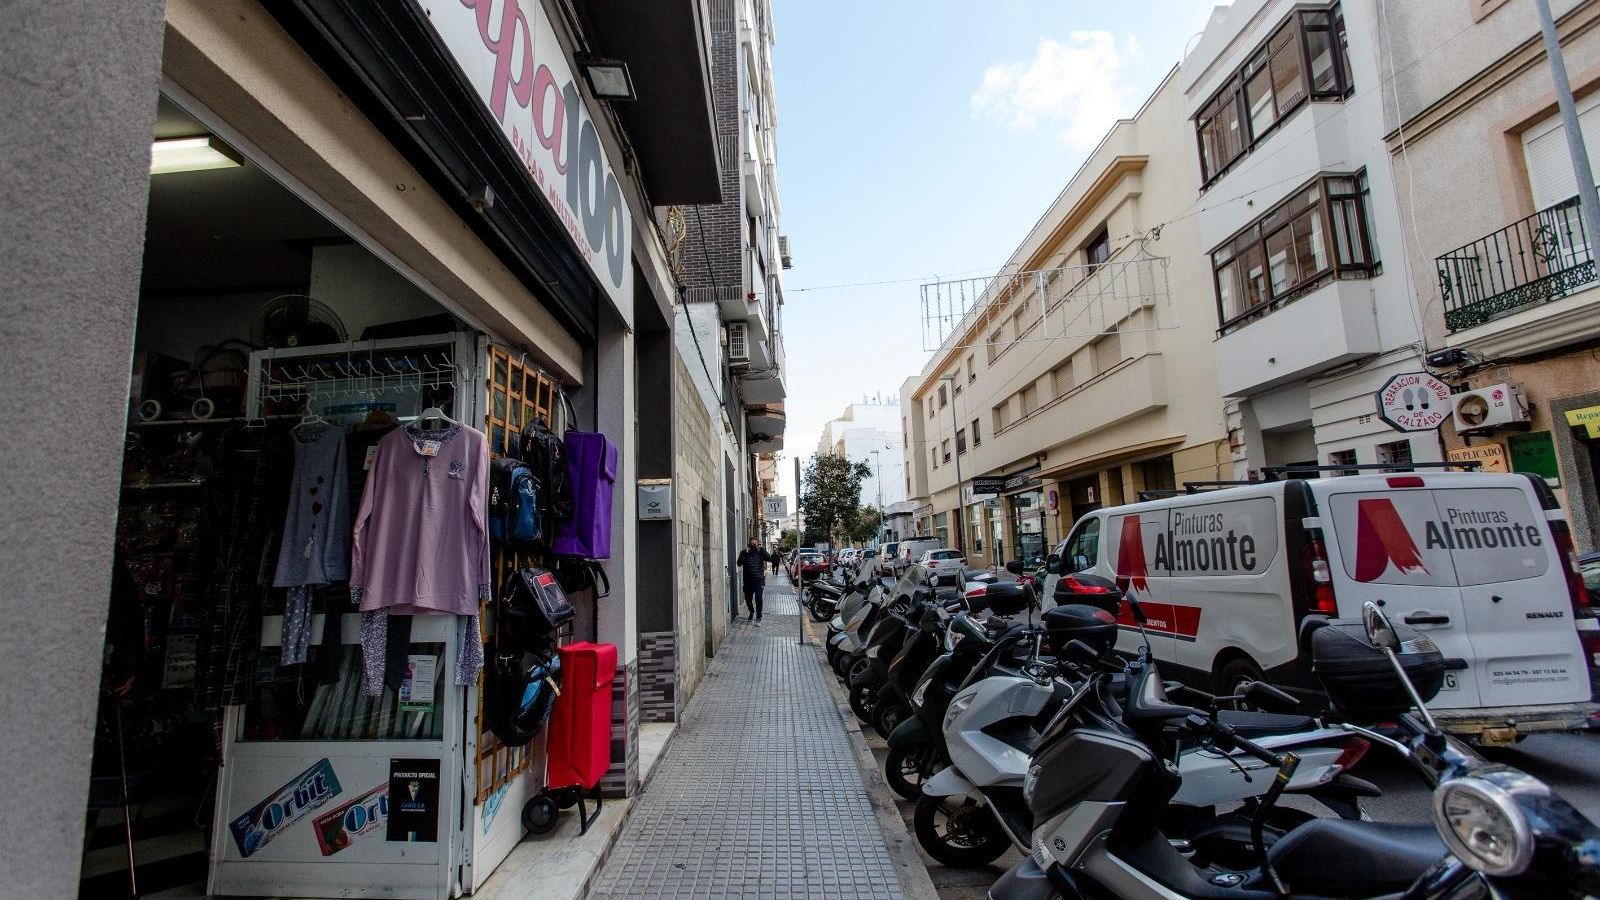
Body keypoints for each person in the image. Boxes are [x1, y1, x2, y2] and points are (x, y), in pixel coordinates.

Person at [735, 538, 777, 626]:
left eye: (755, 544)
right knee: (748, 599)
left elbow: (769, 559)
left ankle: (758, 617)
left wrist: (761, 548)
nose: (753, 546)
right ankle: (751, 610)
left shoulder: (761, 552)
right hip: (748, 580)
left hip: (759, 580)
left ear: (758, 544)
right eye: (752, 544)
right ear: (749, 544)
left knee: (759, 598)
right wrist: (744, 554)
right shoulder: (744, 552)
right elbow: (739, 563)